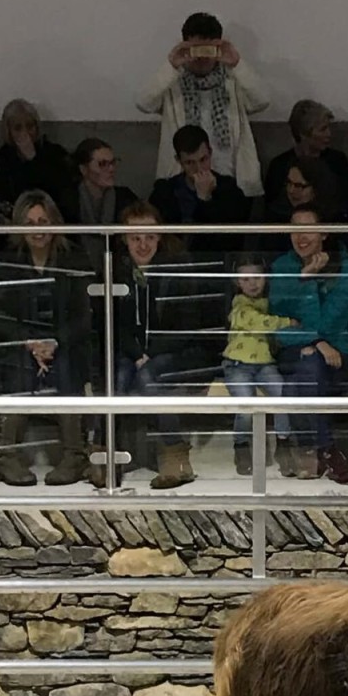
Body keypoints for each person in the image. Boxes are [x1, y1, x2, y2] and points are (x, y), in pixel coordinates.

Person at [108, 202, 224, 491]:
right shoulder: (115, 270)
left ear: (160, 236)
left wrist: (150, 354)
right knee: (118, 379)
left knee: (148, 377)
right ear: (124, 239)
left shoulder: (177, 267)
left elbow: (186, 325)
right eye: (135, 237)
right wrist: (137, 354)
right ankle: (108, 457)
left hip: (175, 351)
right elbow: (112, 324)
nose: (143, 244)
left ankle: (175, 455)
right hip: (134, 352)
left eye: (149, 236)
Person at [0, 191, 96, 488]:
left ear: (54, 224)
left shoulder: (73, 259)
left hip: (66, 344)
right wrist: (29, 342)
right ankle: (6, 457)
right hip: (22, 345)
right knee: (20, 365)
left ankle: (74, 454)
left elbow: (84, 316)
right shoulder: (10, 262)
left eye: (43, 221)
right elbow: (1, 316)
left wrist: (54, 341)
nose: (37, 229)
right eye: (29, 223)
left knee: (64, 365)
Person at [270, 206, 348, 483]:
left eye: (308, 228)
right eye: (294, 229)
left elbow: (327, 322)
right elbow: (276, 324)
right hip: (296, 352)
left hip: (343, 353)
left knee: (298, 381)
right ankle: (328, 450)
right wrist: (304, 278)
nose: (300, 236)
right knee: (309, 366)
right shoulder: (280, 267)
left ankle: (308, 449)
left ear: (324, 232)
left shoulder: (346, 269)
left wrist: (312, 335)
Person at [136, 11, 270, 194]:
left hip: (232, 181)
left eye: (207, 50)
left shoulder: (232, 80)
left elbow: (262, 101)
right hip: (182, 181)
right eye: (196, 49)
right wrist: (172, 65)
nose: (201, 57)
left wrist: (237, 64)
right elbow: (143, 103)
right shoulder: (173, 82)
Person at [219, 256, 297, 475]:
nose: (252, 283)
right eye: (245, 279)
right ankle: (241, 446)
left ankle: (284, 444)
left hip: (264, 364)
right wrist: (287, 322)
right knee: (246, 406)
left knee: (283, 396)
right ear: (237, 283)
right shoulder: (239, 304)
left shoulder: (271, 302)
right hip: (238, 365)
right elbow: (256, 321)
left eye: (257, 277)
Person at [147, 124, 253, 253]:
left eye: (203, 160)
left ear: (210, 153)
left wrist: (205, 200)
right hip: (173, 263)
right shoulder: (165, 192)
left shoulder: (230, 190)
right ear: (178, 160)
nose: (198, 169)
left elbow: (231, 241)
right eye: (190, 163)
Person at [262, 100, 348, 219]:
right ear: (303, 133)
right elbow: (271, 209)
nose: (329, 134)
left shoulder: (337, 161)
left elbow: (346, 203)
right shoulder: (279, 166)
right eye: (322, 129)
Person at [62, 137, 140, 270]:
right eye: (102, 164)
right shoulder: (67, 200)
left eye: (113, 162)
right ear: (83, 169)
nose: (111, 169)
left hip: (119, 272)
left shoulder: (126, 198)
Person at [0, 98, 76, 205]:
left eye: (30, 126)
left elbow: (59, 191)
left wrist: (33, 160)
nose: (25, 133)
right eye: (18, 128)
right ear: (8, 131)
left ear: (37, 127)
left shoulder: (55, 154)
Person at [265, 155, 344, 225]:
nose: (291, 191)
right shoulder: (275, 217)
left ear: (316, 188)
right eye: (289, 183)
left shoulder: (335, 221)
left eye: (299, 186)